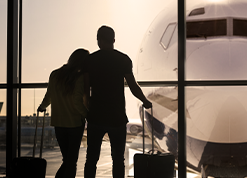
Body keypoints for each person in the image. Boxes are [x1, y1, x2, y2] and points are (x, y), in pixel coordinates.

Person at [84, 25, 152, 178]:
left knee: (91, 159)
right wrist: (145, 101)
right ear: (114, 40)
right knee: (118, 160)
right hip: (117, 117)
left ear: (98, 40)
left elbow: (86, 89)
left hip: (95, 116)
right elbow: (133, 86)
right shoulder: (123, 59)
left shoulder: (90, 60)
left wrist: (87, 107)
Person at [37, 48, 89, 178]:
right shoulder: (80, 77)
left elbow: (49, 95)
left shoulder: (55, 74)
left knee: (67, 160)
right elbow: (77, 102)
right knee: (71, 162)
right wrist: (88, 115)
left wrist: (42, 107)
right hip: (75, 124)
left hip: (59, 124)